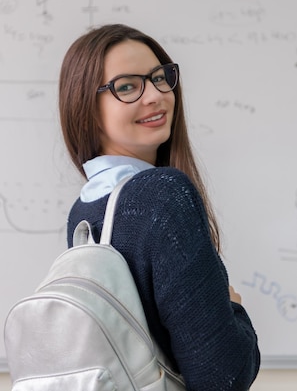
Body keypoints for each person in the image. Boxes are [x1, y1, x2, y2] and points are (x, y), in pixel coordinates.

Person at [58, 24, 260, 390]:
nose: (155, 95)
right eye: (127, 86)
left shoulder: (83, 211)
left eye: (159, 77)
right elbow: (222, 378)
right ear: (86, 107)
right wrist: (233, 308)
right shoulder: (164, 195)